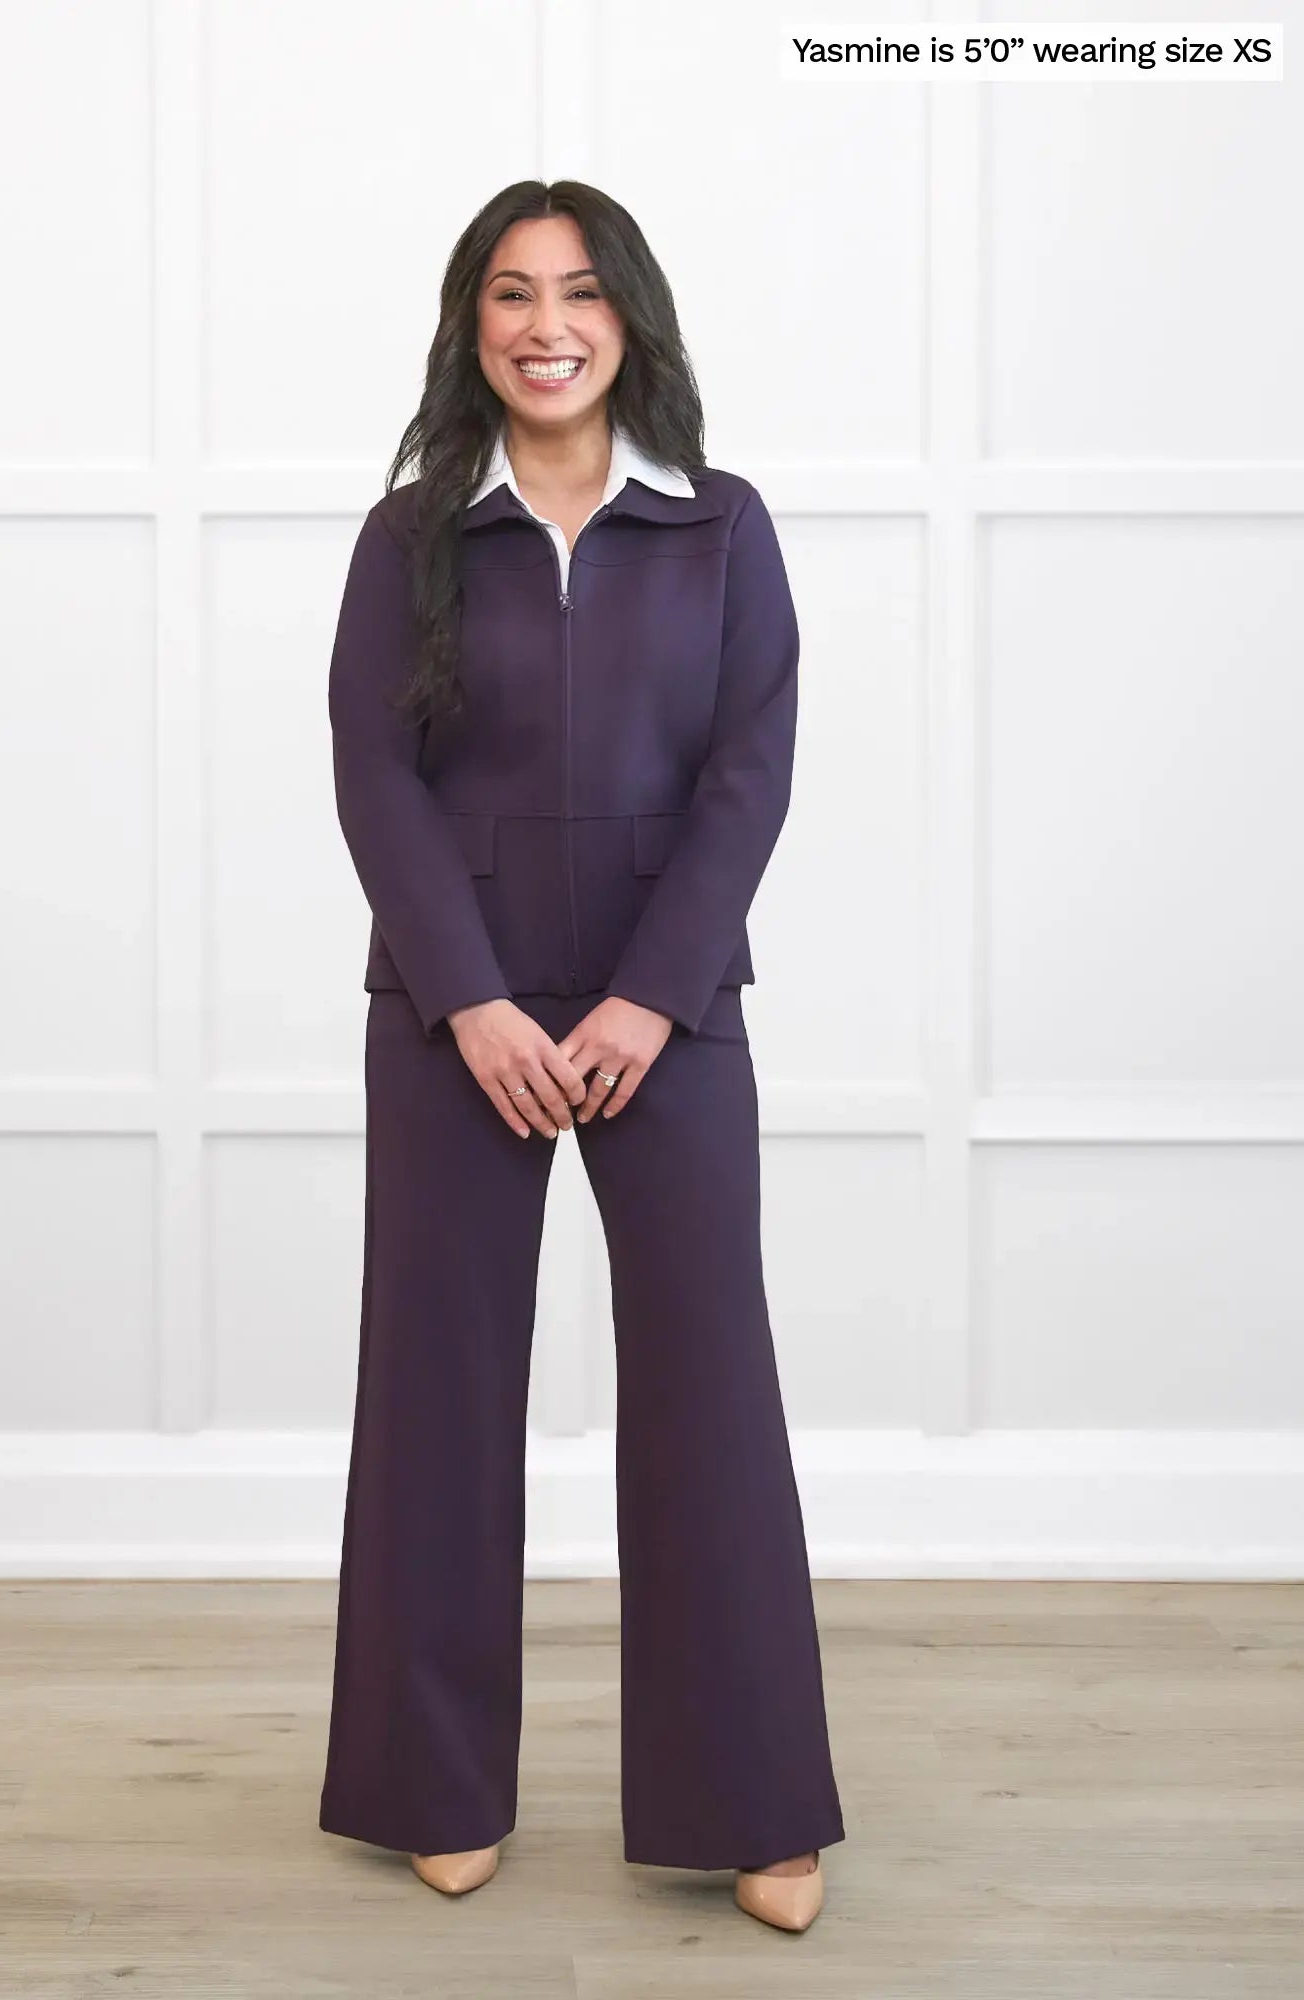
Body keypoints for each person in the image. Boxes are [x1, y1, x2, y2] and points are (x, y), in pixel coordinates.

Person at [317, 179, 844, 1935]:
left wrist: (647, 997)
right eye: (512, 295)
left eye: (582, 293)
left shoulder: (721, 525)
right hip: (452, 1010)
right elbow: (375, 781)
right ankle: (428, 1782)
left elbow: (747, 776)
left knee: (709, 1391)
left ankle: (756, 1801)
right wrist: (469, 1002)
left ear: (631, 318)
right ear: (472, 327)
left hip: (663, 1008)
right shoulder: (408, 539)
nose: (549, 325)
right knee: (437, 1392)